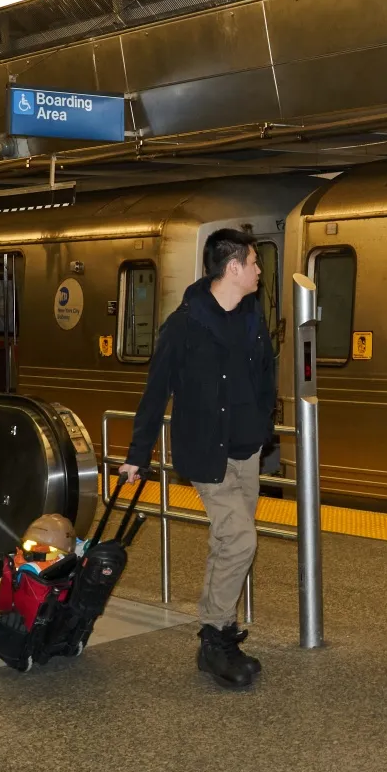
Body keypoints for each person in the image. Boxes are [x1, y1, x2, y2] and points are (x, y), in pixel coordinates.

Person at [120, 229, 276, 691]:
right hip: (207, 455)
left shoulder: (251, 317)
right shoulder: (184, 324)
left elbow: (264, 375)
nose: (258, 270)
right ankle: (214, 639)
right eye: (253, 262)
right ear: (232, 268)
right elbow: (155, 395)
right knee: (241, 541)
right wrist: (136, 455)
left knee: (227, 543)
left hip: (247, 451)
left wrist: (263, 427)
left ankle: (218, 634)